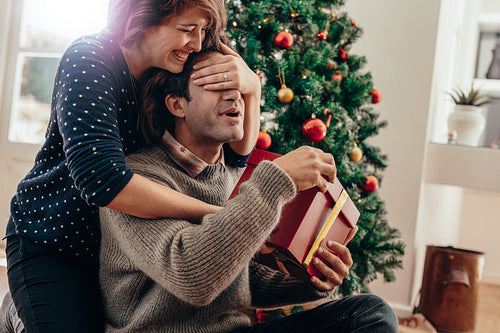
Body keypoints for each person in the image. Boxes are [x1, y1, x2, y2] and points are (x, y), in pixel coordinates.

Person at [99, 48, 399, 332]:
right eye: (218, 85)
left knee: (370, 315)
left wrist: (314, 278)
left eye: (241, 88)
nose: (235, 97)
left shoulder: (229, 174)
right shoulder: (135, 178)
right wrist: (278, 180)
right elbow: (194, 278)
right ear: (177, 103)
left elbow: (240, 278)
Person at [4, 0, 261, 332]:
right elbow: (102, 180)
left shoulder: (175, 63)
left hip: (119, 255)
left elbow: (237, 152)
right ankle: (18, 310)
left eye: (204, 31)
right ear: (142, 19)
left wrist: (252, 89)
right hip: (54, 242)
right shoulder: (90, 59)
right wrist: (214, 216)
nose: (197, 43)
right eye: (186, 30)